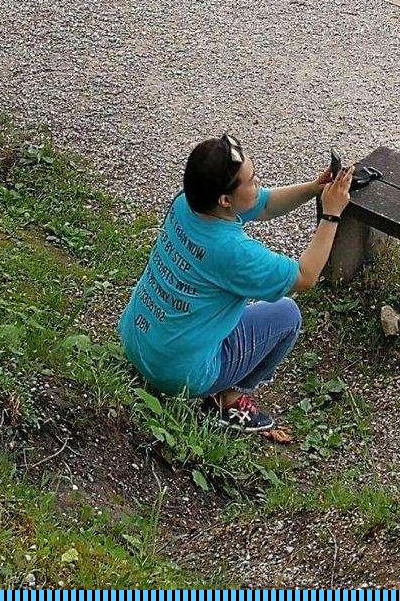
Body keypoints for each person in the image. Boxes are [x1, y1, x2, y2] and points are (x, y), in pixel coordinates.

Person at [120, 135, 355, 435]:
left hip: (137, 339)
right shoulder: (233, 253)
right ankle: (228, 400)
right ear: (225, 200)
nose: (259, 183)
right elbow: (305, 276)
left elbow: (264, 204)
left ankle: (215, 388)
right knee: (287, 315)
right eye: (252, 180)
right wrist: (332, 214)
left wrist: (314, 189)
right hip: (179, 374)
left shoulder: (187, 204)